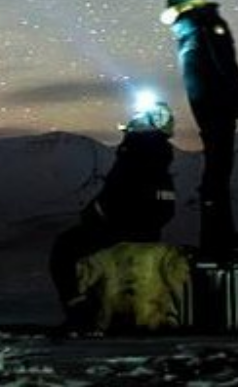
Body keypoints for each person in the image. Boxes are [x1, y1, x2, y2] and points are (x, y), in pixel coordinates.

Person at [49, 100, 177, 331]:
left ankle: (80, 313)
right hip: (141, 232)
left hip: (117, 231)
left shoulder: (135, 157)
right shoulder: (156, 159)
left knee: (64, 250)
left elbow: (117, 199)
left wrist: (97, 215)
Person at [160, 0, 238, 259]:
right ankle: (220, 237)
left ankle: (215, 235)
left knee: (215, 173)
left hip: (204, 108)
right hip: (219, 105)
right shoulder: (205, 24)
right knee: (218, 174)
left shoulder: (185, 33)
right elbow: (225, 63)